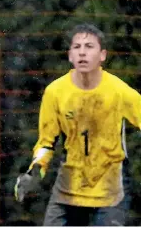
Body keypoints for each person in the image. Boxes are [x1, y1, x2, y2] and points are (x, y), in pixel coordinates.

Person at [14, 24, 140, 226]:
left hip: (110, 185)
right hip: (69, 186)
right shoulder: (55, 92)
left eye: (89, 46)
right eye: (77, 47)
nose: (82, 52)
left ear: (102, 55)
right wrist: (34, 171)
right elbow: (46, 143)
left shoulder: (119, 91)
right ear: (70, 55)